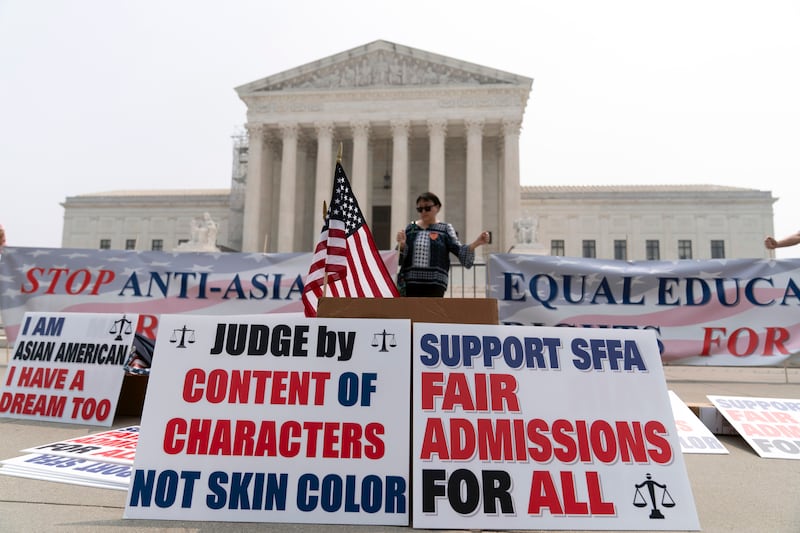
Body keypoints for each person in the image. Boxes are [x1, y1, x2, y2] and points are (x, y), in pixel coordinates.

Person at [395, 192, 490, 297]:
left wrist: (476, 243)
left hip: (435, 285)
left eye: (427, 208)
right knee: (411, 313)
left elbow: (458, 250)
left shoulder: (445, 229)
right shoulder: (411, 228)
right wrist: (402, 245)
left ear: (437, 207)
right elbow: (399, 259)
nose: (423, 212)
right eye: (420, 209)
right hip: (410, 284)